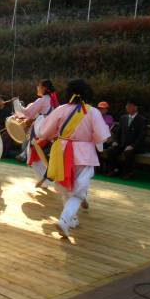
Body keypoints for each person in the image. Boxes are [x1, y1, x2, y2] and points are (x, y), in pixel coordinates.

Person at [39, 79, 111, 238]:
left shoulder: (61, 109)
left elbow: (44, 132)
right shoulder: (92, 112)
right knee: (79, 190)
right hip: (84, 154)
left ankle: (72, 219)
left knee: (65, 186)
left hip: (62, 153)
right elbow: (102, 137)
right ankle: (65, 220)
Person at [13, 79, 59, 187]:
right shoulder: (53, 100)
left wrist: (16, 102)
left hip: (42, 130)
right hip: (51, 130)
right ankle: (46, 179)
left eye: (39, 86)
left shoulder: (43, 100)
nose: (37, 88)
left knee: (33, 154)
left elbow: (27, 112)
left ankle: (45, 181)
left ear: (43, 88)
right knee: (37, 154)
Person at [106, 100, 147, 180]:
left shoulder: (142, 120)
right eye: (127, 106)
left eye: (130, 106)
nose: (127, 107)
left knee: (128, 152)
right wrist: (115, 141)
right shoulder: (123, 118)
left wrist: (132, 146)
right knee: (111, 150)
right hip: (122, 144)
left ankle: (128, 173)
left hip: (135, 146)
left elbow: (141, 136)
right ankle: (115, 170)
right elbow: (119, 132)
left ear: (135, 107)